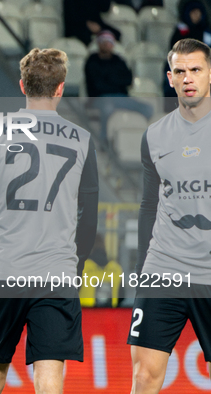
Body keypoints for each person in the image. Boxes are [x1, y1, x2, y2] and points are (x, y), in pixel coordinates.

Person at [0, 48, 99, 394]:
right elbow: (89, 217)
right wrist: (76, 267)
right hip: (56, 275)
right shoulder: (83, 141)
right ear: (60, 88)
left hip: (4, 272)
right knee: (49, 380)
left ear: (21, 85)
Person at [128, 38, 211, 393]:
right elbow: (150, 204)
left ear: (210, 75)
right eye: (180, 71)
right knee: (144, 376)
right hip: (164, 268)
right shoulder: (155, 136)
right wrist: (142, 267)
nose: (188, 77)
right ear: (170, 78)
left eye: (196, 70)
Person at [84, 30, 153, 145]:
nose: (107, 44)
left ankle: (143, 142)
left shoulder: (119, 60)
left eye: (109, 42)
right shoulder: (92, 61)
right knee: (108, 109)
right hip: (100, 98)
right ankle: (104, 141)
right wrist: (116, 81)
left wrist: (108, 78)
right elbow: (97, 85)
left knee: (148, 109)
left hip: (122, 97)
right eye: (104, 41)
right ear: (99, 43)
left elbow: (128, 80)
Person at [78, 233, 124, 307]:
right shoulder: (116, 268)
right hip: (110, 316)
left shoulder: (83, 267)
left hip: (86, 315)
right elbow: (122, 297)